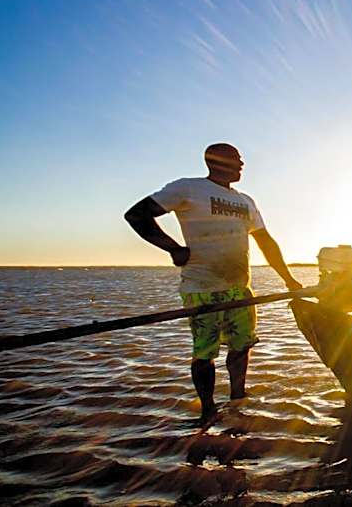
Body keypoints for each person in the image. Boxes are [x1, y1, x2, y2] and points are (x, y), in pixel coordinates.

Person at [124, 143, 302, 422]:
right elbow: (136, 215)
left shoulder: (246, 201)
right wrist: (173, 248)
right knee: (205, 352)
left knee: (241, 346)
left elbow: (266, 242)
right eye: (236, 159)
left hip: (240, 289)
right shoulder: (188, 188)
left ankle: (237, 400)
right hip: (203, 289)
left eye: (241, 160)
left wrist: (290, 279)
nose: (242, 164)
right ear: (216, 161)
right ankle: (208, 409)